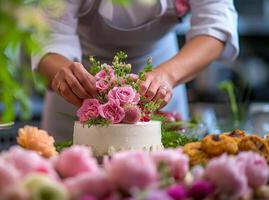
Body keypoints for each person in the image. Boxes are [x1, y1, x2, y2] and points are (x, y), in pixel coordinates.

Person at [32, 0, 239, 141]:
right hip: (78, 84)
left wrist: (167, 75)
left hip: (164, 66)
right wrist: (63, 72)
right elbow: (49, 35)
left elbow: (216, 25)